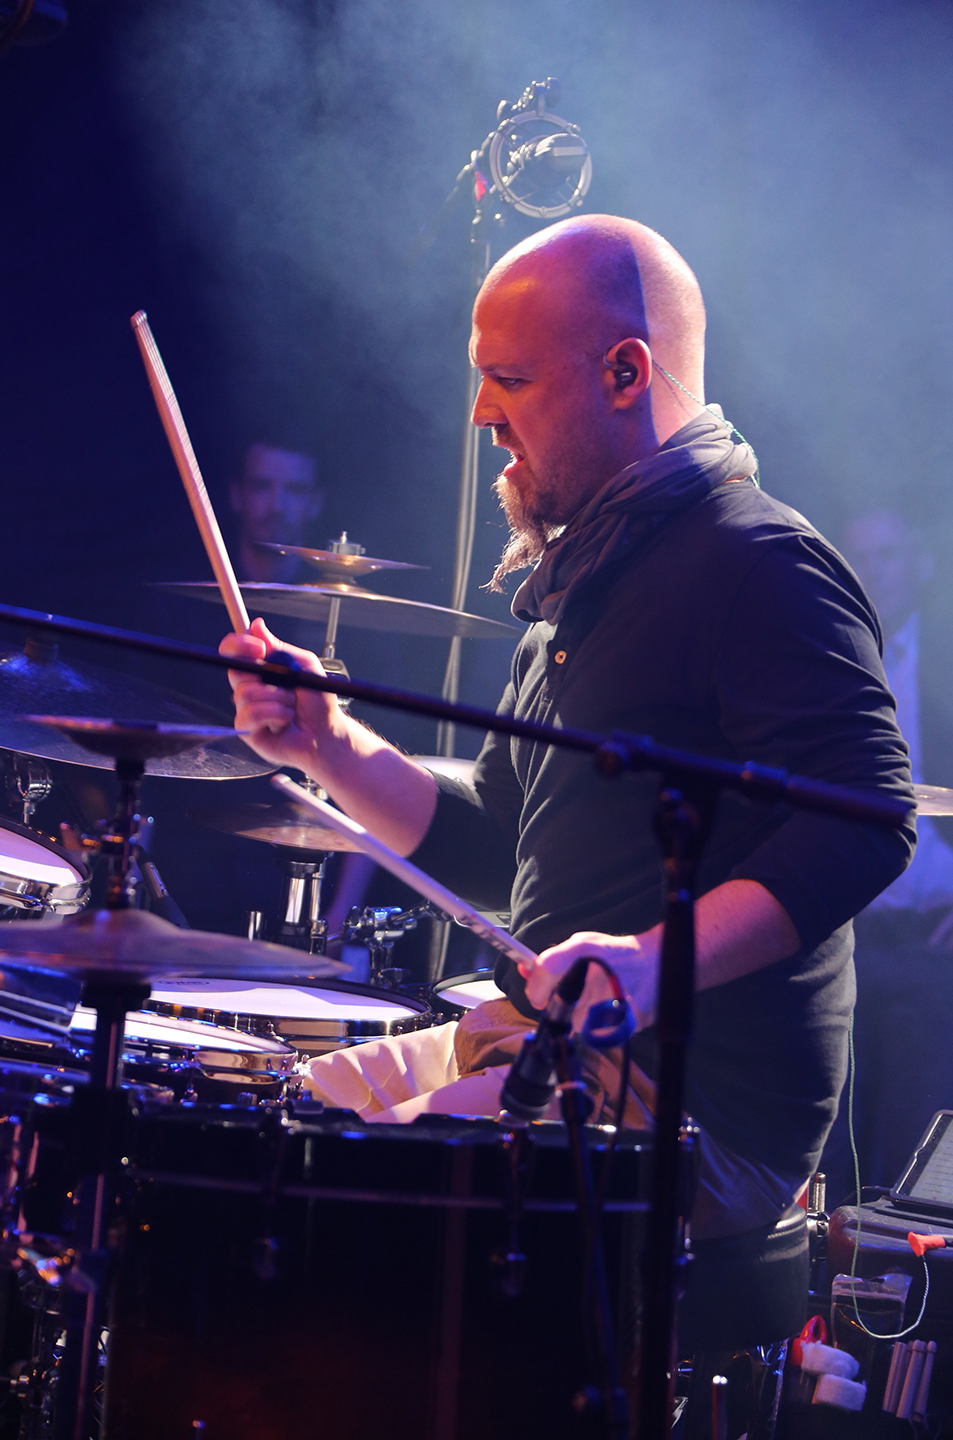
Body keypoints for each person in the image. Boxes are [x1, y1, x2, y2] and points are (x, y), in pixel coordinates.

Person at [220, 214, 914, 1241]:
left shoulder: (761, 563)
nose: (481, 415)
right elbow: (500, 846)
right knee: (246, 1138)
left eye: (510, 380)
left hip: (693, 1111)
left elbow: (868, 819)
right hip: (546, 1045)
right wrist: (327, 744)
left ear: (625, 373)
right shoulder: (581, 583)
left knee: (324, 1208)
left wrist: (648, 963)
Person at [820, 509, 953, 1202]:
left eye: (890, 556)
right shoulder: (830, 656)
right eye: (861, 558)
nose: (874, 574)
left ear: (922, 564)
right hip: (845, 931)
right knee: (830, 1133)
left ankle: (897, 1267)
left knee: (912, 1141)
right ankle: (826, 1263)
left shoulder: (944, 659)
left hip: (934, 941)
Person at [229, 441, 323, 584]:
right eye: (262, 486)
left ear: (316, 502)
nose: (276, 507)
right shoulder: (195, 570)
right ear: (236, 494)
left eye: (295, 489)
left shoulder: (331, 592)